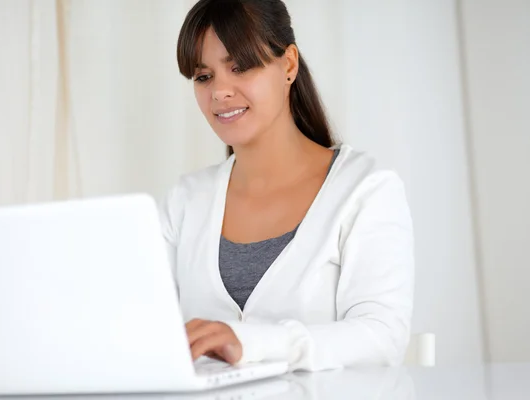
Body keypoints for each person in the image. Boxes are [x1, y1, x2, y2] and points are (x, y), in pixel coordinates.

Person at [160, 0, 414, 372]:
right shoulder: (184, 201)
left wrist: (250, 341)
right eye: (204, 76)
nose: (219, 92)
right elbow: (142, 327)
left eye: (240, 67)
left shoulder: (366, 190)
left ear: (289, 65)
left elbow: (382, 336)